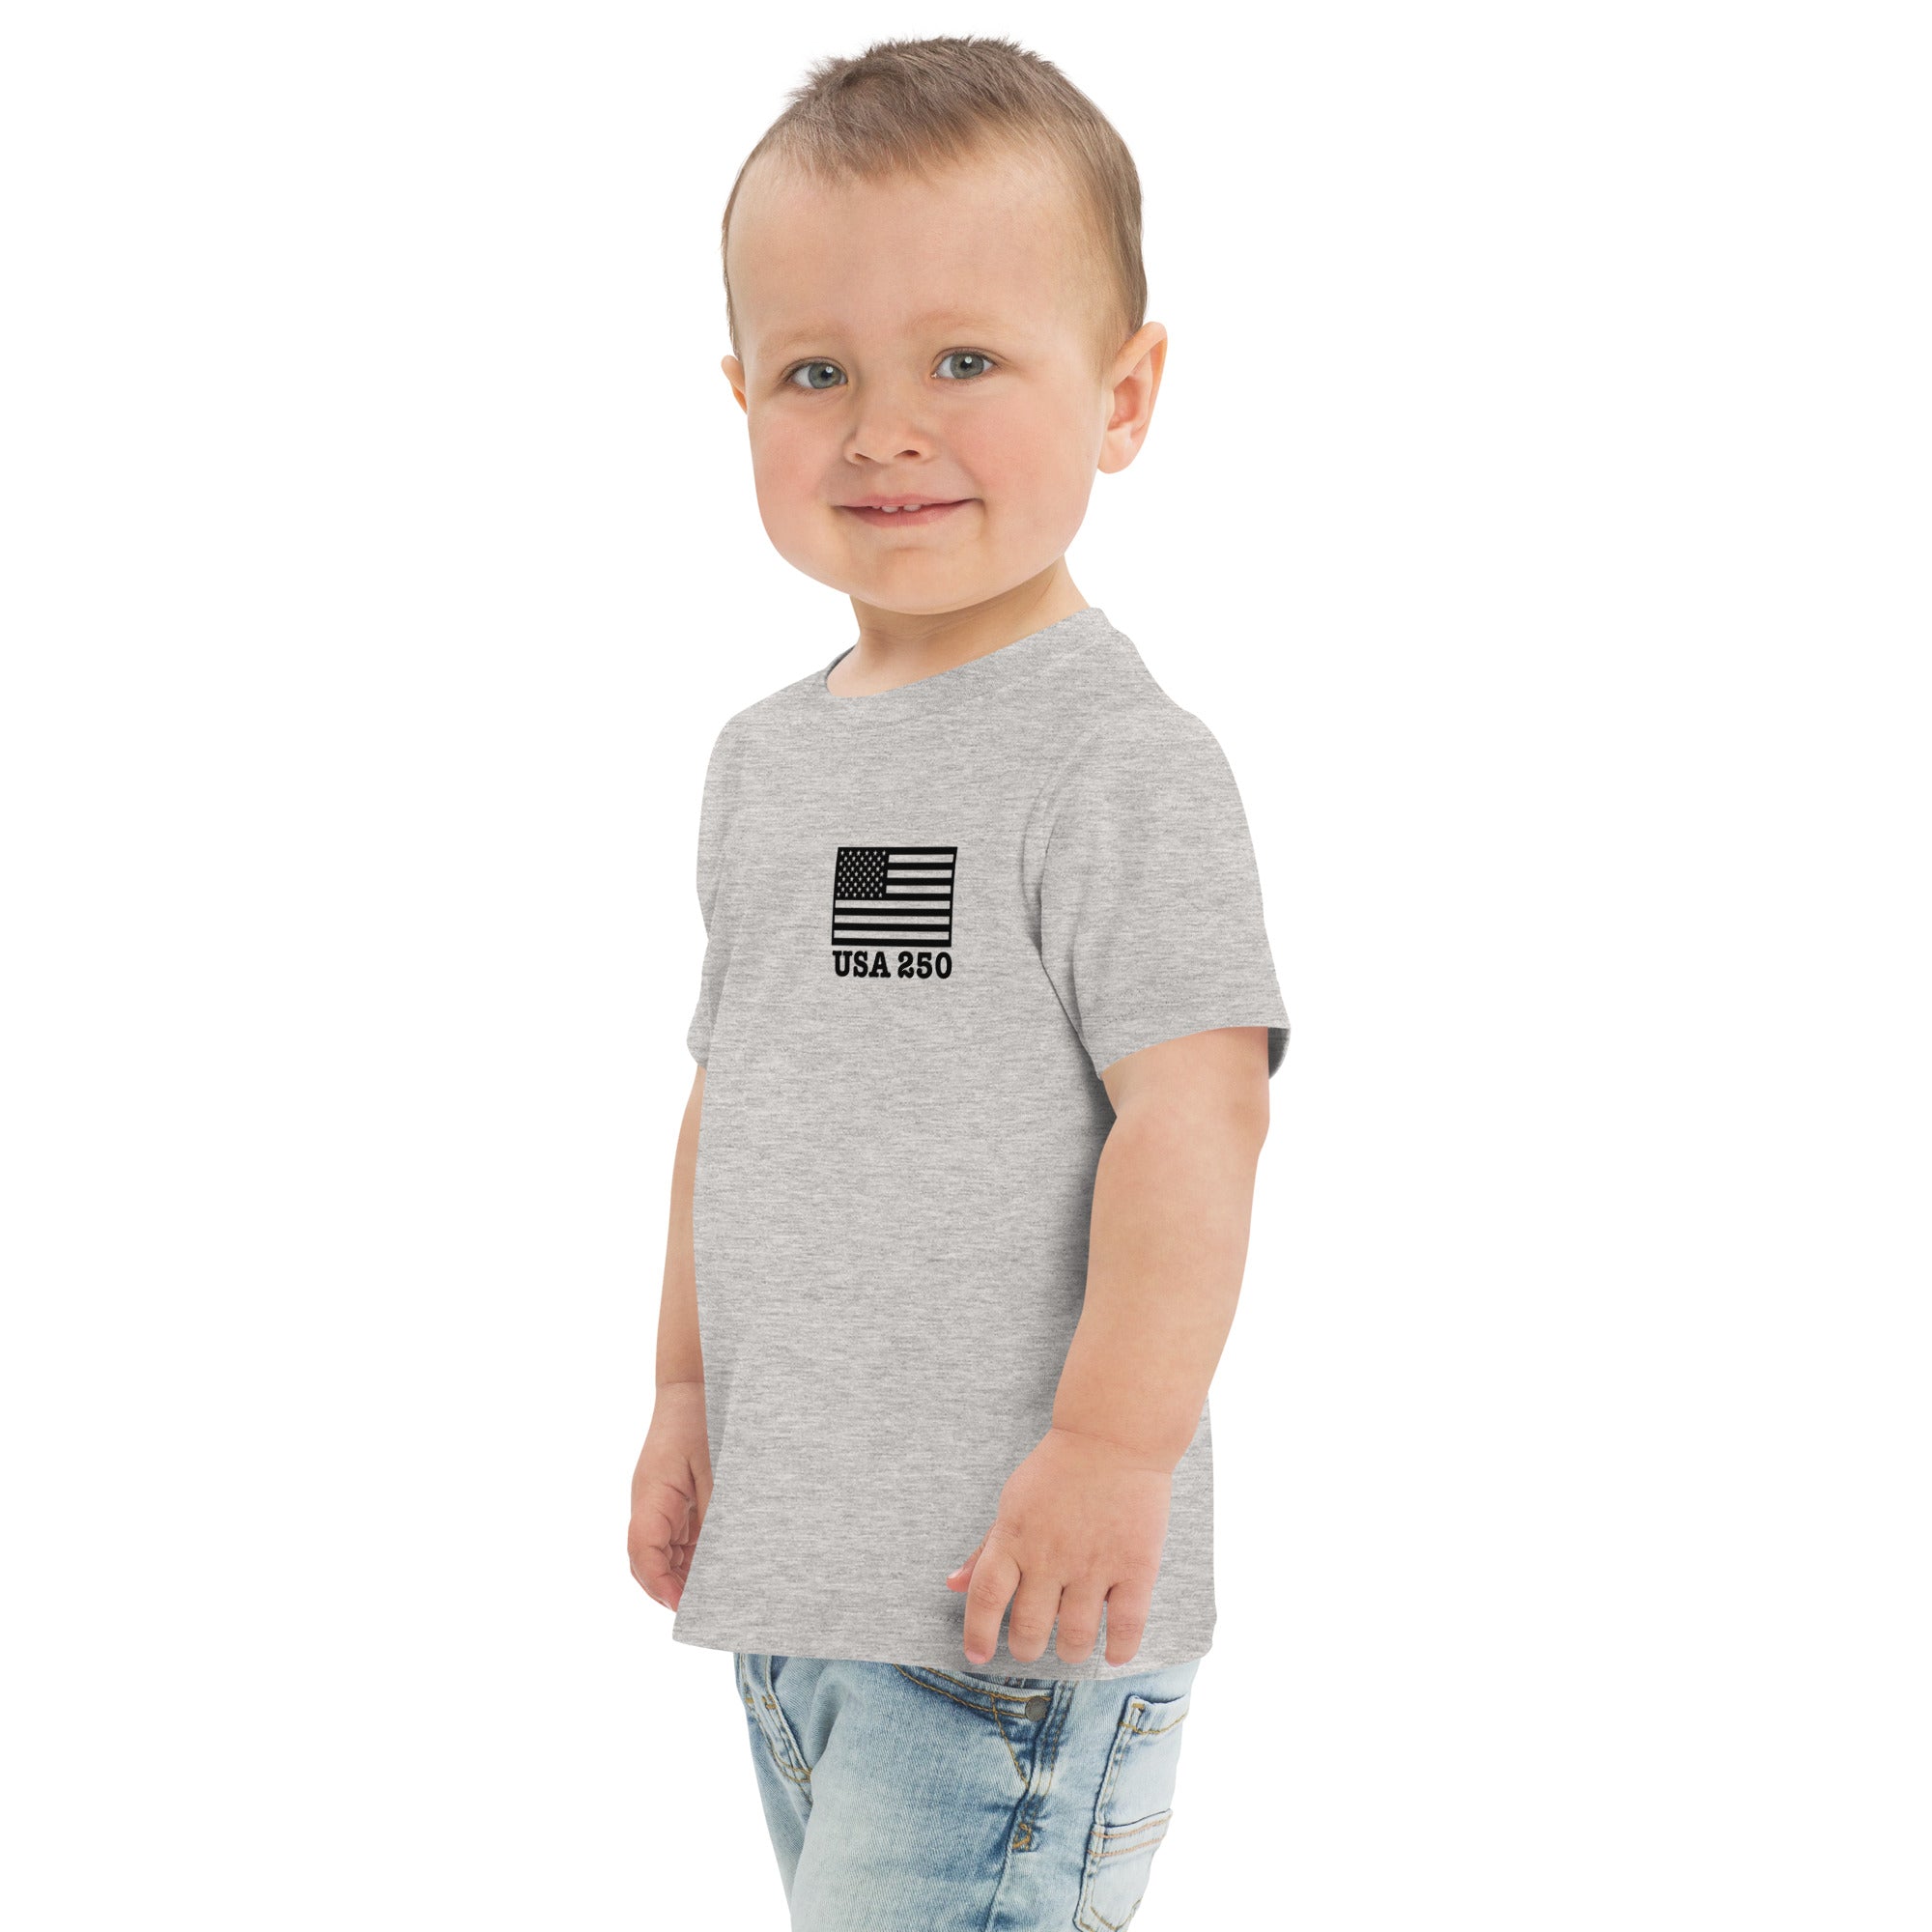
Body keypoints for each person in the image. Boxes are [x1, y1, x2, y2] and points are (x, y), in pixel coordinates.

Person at [628, 35, 1291, 1930]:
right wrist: (685, 1387)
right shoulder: (764, 760)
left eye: (966, 363)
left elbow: (1198, 1112)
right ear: (740, 395)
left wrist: (1111, 1446)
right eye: (816, 372)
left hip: (1015, 1610)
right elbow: (740, 1096)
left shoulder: (1116, 760)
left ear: (1124, 394)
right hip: (803, 1594)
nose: (883, 430)